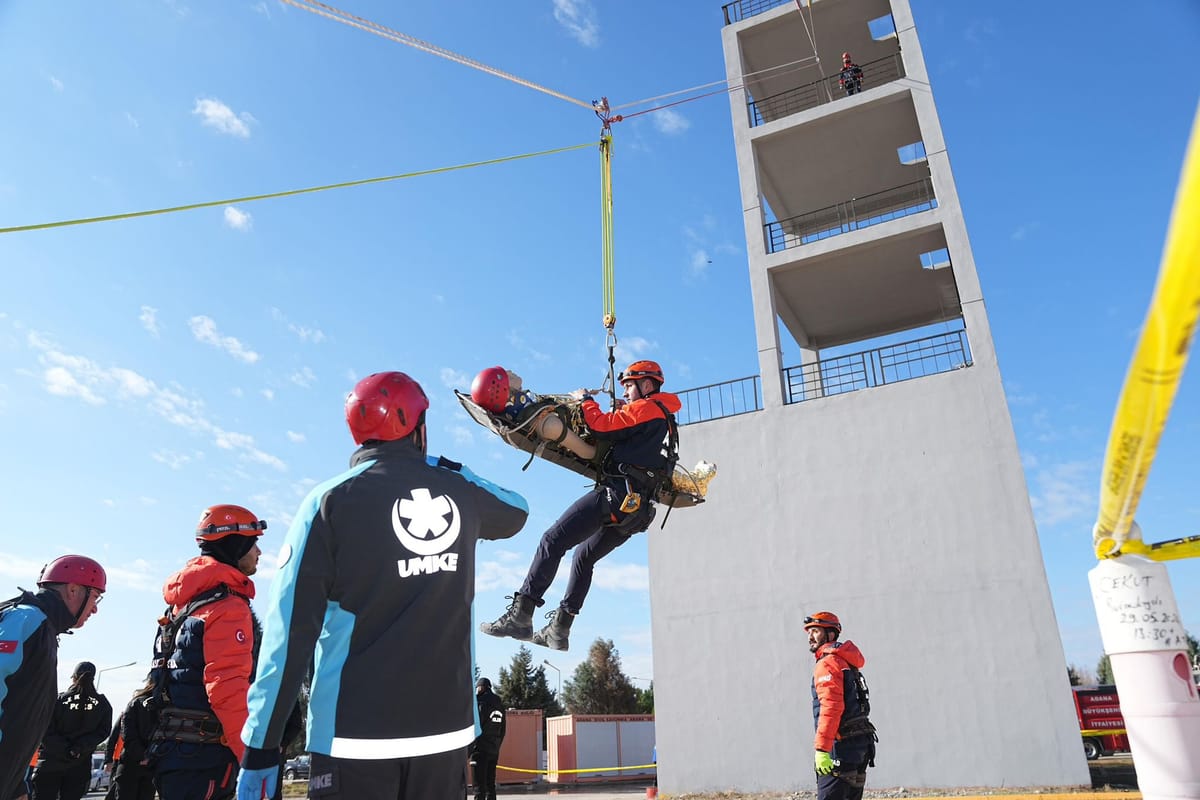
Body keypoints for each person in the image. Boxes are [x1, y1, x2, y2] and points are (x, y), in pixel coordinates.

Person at [236, 371, 529, 800]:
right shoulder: (459, 491)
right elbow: (516, 510)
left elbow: (289, 633)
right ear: (418, 428)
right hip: (445, 737)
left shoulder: (327, 503)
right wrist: (448, 469)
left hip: (352, 737)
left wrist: (262, 743)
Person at [481, 360, 680, 651]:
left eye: (629, 386)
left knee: (553, 540)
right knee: (584, 557)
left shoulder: (646, 409)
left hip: (616, 495)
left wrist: (585, 401)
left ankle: (522, 615)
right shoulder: (666, 420)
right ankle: (560, 630)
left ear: (647, 385)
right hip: (637, 511)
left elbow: (599, 426)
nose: (625, 392)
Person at [148, 504, 267, 800]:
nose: (259, 553)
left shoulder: (183, 605)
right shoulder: (228, 607)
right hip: (206, 756)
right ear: (235, 545)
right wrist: (251, 757)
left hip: (173, 751)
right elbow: (227, 688)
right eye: (254, 544)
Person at [0, 555, 106, 800]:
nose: (96, 608)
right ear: (72, 590)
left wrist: (19, 785)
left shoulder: (42, 627)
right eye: (95, 597)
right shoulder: (27, 619)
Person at [805, 612, 877, 800]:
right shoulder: (846, 662)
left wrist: (821, 750)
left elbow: (830, 708)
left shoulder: (828, 664)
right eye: (809, 632)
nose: (810, 636)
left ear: (830, 634)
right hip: (860, 747)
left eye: (815, 631)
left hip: (840, 748)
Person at [31, 661, 114, 800]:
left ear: (74, 677)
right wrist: (78, 748)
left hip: (51, 763)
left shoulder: (57, 700)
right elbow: (103, 732)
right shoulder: (102, 704)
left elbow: (44, 730)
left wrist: (63, 749)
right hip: (79, 764)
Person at [108, 680, 158, 800]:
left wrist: (141, 755)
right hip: (152, 764)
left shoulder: (134, 704)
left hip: (130, 762)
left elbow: (127, 735)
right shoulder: (165, 706)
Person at [469, 678, 506, 800]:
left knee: (479, 788)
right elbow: (503, 730)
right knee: (490, 786)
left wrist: (471, 749)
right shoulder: (499, 704)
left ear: (481, 687)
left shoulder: (479, 702)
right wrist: (496, 746)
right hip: (493, 751)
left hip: (479, 750)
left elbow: (474, 726)